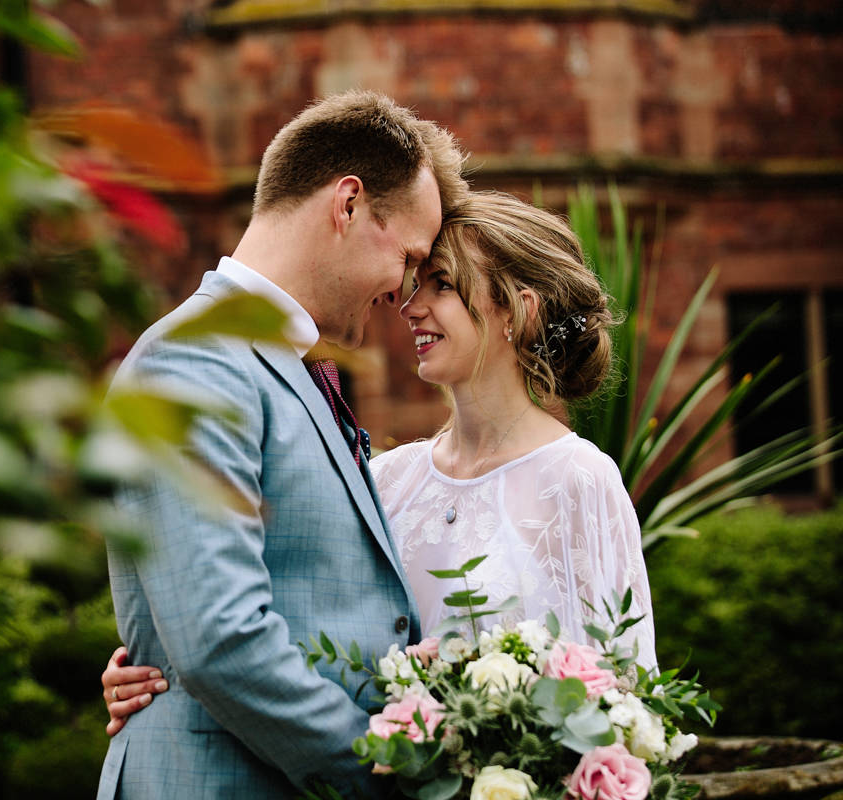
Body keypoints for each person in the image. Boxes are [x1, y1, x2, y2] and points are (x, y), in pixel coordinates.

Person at [101, 190, 658, 746]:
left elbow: (629, 702)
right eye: (416, 283)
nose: (411, 305)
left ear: (517, 309)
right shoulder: (386, 478)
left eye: (443, 285)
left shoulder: (579, 479)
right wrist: (161, 661)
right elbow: (274, 612)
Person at [97, 91, 468, 799]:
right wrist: (385, 772)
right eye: (409, 256)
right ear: (348, 205)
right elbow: (218, 641)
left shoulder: (276, 365)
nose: (402, 291)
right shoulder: (194, 362)